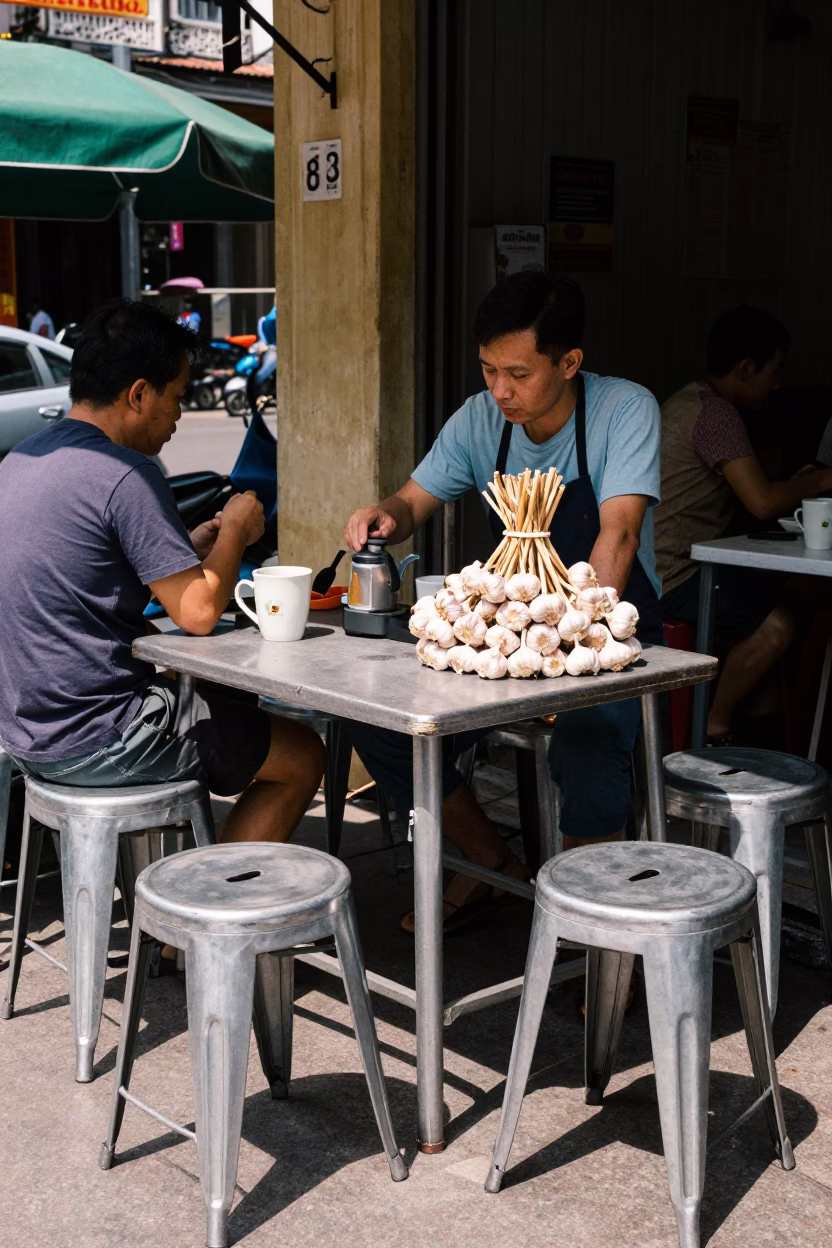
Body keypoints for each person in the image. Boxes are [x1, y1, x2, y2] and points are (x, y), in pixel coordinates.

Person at [343, 272, 664, 932]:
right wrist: (385, 516)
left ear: (569, 363)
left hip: (603, 631)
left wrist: (575, 643)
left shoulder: (624, 410)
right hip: (507, 635)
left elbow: (619, 535)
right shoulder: (481, 418)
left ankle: (594, 927)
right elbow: (413, 500)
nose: (500, 390)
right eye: (489, 370)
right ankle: (493, 865)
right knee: (380, 722)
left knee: (586, 741)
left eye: (517, 373)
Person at [0, 300, 324, 853]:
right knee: (302, 754)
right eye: (176, 396)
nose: (178, 414)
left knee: (227, 705)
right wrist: (235, 530)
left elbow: (81, 577)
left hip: (26, 733)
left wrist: (187, 550)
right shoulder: (125, 474)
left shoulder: (20, 460)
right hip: (101, 736)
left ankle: (173, 873)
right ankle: (205, 906)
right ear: (138, 394)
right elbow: (198, 614)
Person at [656, 305, 832, 743]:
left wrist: (795, 484)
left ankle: (763, 709)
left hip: (657, 567)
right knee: (778, 626)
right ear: (746, 368)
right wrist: (821, 479)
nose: (777, 384)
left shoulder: (687, 401)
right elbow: (762, 501)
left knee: (790, 590)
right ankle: (713, 727)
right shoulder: (717, 415)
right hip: (675, 577)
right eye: (775, 370)